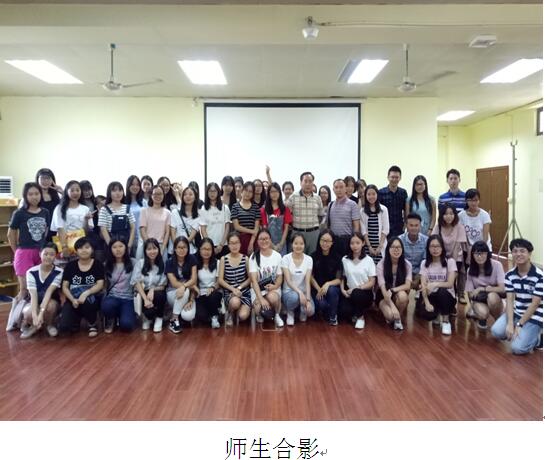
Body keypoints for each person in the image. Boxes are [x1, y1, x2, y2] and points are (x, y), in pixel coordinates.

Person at [491, 238, 543, 354]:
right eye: (515, 251)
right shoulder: (509, 275)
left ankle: (538, 339)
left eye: (522, 251)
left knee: (517, 349)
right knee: (496, 331)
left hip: (534, 316)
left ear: (529, 254)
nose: (518, 254)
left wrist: (519, 324)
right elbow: (509, 300)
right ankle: (522, 334)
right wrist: (510, 323)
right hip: (517, 312)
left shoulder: (539, 276)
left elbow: (535, 304)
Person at [8, 182, 50, 302]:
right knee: (24, 290)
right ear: (25, 196)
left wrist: (42, 246)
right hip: (24, 252)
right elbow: (10, 234)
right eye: (30, 194)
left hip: (41, 253)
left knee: (39, 289)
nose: (34, 197)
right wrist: (17, 251)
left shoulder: (45, 212)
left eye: (36, 193)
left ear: (40, 195)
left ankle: (36, 313)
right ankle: (16, 314)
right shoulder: (19, 213)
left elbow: (46, 230)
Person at [59, 237, 105, 337]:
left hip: (91, 298)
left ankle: (92, 324)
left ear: (92, 250)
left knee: (88, 300)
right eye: (80, 248)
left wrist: (86, 293)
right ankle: (76, 319)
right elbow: (65, 287)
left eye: (87, 247)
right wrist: (72, 300)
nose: (84, 250)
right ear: (76, 251)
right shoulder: (70, 266)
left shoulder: (98, 264)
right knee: (64, 328)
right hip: (73, 299)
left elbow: (100, 284)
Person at [19, 243, 63, 339]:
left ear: (56, 256)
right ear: (40, 254)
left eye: (52, 254)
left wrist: (41, 313)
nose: (48, 257)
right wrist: (35, 315)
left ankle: (50, 325)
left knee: (51, 306)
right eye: (45, 254)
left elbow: (49, 292)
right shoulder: (31, 272)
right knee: (28, 312)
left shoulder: (59, 272)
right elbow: (33, 294)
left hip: (51, 300)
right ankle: (34, 326)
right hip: (34, 300)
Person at [418, 235, 458, 335]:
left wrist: (435, 284)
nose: (435, 249)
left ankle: (446, 321)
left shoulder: (450, 262)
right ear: (428, 248)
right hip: (431, 295)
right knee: (426, 313)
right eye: (432, 246)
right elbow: (423, 285)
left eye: (438, 246)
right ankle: (436, 314)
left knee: (442, 291)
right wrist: (427, 303)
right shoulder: (424, 263)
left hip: (447, 296)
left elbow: (450, 284)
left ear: (442, 248)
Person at [465, 241, 505, 329]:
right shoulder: (470, 269)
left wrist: (482, 289)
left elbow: (502, 288)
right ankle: (478, 315)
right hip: (480, 299)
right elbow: (470, 293)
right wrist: (472, 304)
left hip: (494, 296)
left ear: (487, 254)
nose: (479, 256)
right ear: (472, 255)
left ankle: (498, 321)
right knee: (483, 313)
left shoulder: (497, 265)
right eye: (476, 254)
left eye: (482, 253)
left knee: (492, 297)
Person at [50, 180, 94, 261]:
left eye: (78, 190)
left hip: (80, 246)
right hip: (63, 244)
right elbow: (60, 228)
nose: (75, 193)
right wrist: (64, 247)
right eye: (72, 190)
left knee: (78, 266)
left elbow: (86, 232)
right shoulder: (59, 208)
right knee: (63, 266)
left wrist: (86, 220)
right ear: (67, 192)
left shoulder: (85, 209)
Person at [340, 232, 376, 329]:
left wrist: (357, 288)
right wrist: (343, 290)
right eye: (352, 243)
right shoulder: (345, 259)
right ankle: (355, 312)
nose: (355, 246)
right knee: (343, 311)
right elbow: (342, 277)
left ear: (363, 243)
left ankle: (360, 317)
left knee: (356, 293)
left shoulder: (369, 260)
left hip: (364, 292)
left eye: (357, 243)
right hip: (349, 292)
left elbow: (372, 282)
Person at [432, 203, 467, 303]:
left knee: (453, 275)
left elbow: (457, 247)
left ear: (455, 215)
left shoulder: (459, 227)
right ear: (442, 215)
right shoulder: (438, 227)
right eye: (446, 214)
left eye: (451, 214)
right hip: (440, 256)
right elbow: (434, 242)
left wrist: (452, 264)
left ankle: (458, 295)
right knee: (444, 278)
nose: (449, 216)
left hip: (456, 257)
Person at [249, 229, 284, 327]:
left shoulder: (277, 256)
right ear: (257, 241)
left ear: (270, 239)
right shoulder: (253, 257)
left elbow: (280, 277)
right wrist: (261, 298)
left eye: (266, 238)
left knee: (273, 297)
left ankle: (277, 315)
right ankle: (259, 314)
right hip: (258, 290)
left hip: (272, 289)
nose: (264, 241)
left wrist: (275, 286)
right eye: (261, 239)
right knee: (258, 308)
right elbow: (254, 281)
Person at [131, 238, 167, 333]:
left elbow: (163, 284)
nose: (152, 251)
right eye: (149, 249)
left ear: (158, 249)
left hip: (157, 291)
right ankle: (147, 318)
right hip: (143, 293)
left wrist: (152, 289)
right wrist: (145, 299)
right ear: (145, 251)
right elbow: (136, 282)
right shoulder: (140, 263)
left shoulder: (162, 264)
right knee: (149, 313)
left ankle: (159, 317)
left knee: (160, 295)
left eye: (154, 248)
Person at [376, 237, 412, 331]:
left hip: (397, 293)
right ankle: (394, 315)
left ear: (402, 249)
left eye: (399, 247)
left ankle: (398, 318)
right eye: (393, 247)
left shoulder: (407, 264)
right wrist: (392, 306)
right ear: (388, 249)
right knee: (390, 316)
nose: (396, 250)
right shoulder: (381, 264)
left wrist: (393, 290)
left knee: (403, 296)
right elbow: (383, 290)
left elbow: (407, 285)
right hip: (383, 296)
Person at [285, 171, 324, 255]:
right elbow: (287, 216)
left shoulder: (317, 198)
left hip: (313, 234)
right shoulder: (293, 197)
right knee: (296, 258)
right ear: (300, 182)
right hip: (297, 233)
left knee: (313, 257)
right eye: (305, 181)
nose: (308, 184)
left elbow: (320, 215)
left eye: (310, 181)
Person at [101, 238, 136, 333]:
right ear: (110, 249)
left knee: (126, 326)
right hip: (113, 297)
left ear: (126, 248)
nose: (118, 249)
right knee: (106, 306)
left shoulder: (134, 262)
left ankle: (122, 315)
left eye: (121, 246)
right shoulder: (106, 264)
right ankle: (111, 319)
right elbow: (104, 284)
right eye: (114, 247)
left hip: (128, 298)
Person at [218, 232, 252, 326]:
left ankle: (240, 310)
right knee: (235, 302)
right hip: (230, 292)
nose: (234, 246)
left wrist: (239, 288)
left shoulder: (245, 258)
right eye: (232, 243)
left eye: (236, 242)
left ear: (240, 244)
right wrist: (233, 289)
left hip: (243, 292)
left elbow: (250, 278)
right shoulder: (223, 259)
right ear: (228, 245)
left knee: (243, 316)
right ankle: (230, 312)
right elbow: (220, 280)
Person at [281, 233, 315, 326]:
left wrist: (308, 300)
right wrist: (299, 293)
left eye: (301, 243)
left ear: (304, 245)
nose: (298, 246)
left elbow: (307, 281)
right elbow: (288, 281)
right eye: (296, 243)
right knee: (294, 298)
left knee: (310, 311)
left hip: (303, 292)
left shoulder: (309, 259)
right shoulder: (286, 258)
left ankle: (302, 309)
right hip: (289, 292)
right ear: (291, 244)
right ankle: (290, 312)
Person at [165, 236, 197, 333]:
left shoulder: (192, 259)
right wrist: (188, 286)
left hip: (187, 293)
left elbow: (194, 279)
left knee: (188, 316)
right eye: (179, 247)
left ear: (188, 248)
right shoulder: (169, 262)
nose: (182, 250)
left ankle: (174, 315)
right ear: (175, 249)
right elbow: (174, 283)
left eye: (184, 247)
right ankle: (174, 319)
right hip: (172, 293)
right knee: (185, 290)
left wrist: (184, 287)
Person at [311, 229, 342, 325]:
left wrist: (328, 284)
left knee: (332, 290)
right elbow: (310, 277)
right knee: (322, 304)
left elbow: (339, 279)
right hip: (317, 289)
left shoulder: (337, 258)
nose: (325, 243)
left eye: (328, 241)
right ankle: (325, 311)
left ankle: (333, 317)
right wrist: (319, 289)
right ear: (319, 241)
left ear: (332, 243)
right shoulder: (313, 256)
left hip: (331, 289)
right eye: (323, 240)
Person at [324, 179, 360, 258]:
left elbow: (356, 227)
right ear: (333, 189)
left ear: (345, 188)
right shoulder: (330, 204)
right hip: (333, 241)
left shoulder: (352, 204)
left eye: (341, 187)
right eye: (336, 187)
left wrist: (355, 242)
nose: (338, 190)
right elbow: (328, 225)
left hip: (347, 241)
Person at [193, 237, 222, 329]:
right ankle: (215, 313)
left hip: (214, 292)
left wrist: (213, 287)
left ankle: (214, 317)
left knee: (213, 296)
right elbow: (193, 281)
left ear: (212, 250)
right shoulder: (195, 263)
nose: (206, 252)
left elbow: (219, 281)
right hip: (201, 294)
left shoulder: (217, 262)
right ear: (199, 250)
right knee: (202, 316)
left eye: (209, 249)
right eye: (204, 249)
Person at [98, 181, 136, 249]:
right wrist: (112, 247)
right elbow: (103, 229)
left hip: (126, 245)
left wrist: (129, 245)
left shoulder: (127, 208)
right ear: (109, 193)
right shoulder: (104, 209)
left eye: (120, 190)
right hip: (111, 246)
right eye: (114, 190)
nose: (118, 193)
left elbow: (133, 227)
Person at [260, 182, 292, 256]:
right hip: (267, 243)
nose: (274, 194)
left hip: (282, 243)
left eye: (276, 191)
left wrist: (281, 244)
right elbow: (264, 228)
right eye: (272, 192)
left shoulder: (285, 209)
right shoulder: (264, 210)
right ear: (268, 193)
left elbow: (286, 228)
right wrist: (272, 245)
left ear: (280, 193)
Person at [360, 184, 389, 264]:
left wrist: (380, 247)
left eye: (373, 194)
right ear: (365, 196)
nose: (371, 196)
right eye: (369, 194)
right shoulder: (362, 211)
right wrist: (369, 247)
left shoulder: (383, 209)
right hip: (367, 246)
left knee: (380, 267)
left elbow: (385, 229)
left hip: (381, 245)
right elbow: (363, 231)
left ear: (377, 195)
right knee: (368, 266)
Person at [399, 213, 428, 293]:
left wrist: (418, 278)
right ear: (406, 226)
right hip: (404, 273)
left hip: (421, 273)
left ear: (420, 226)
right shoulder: (399, 240)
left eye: (416, 225)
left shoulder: (426, 240)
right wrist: (408, 278)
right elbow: (399, 262)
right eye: (411, 225)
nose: (414, 228)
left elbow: (425, 262)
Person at [139, 185, 171, 259]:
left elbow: (167, 232)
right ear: (151, 195)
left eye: (160, 194)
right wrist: (150, 247)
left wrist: (162, 249)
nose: (158, 196)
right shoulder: (144, 211)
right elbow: (142, 230)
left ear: (163, 195)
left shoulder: (168, 213)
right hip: (147, 246)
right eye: (155, 194)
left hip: (161, 246)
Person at [200, 182, 231, 256]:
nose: (212, 193)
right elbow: (203, 229)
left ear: (218, 192)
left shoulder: (225, 208)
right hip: (209, 246)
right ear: (207, 193)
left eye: (214, 191)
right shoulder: (203, 209)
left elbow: (227, 227)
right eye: (210, 191)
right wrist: (209, 245)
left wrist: (221, 244)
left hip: (223, 244)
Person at [230, 181, 260, 256]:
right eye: (246, 190)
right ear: (242, 191)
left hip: (253, 240)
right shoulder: (235, 206)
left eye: (250, 191)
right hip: (239, 240)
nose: (248, 193)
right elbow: (236, 226)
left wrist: (251, 243)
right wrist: (252, 231)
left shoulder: (256, 207)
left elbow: (256, 228)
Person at [170, 186, 202, 254]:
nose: (188, 196)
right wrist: (177, 247)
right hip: (175, 250)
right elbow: (173, 233)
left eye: (190, 194)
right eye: (185, 194)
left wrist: (182, 247)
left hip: (190, 251)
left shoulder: (198, 215)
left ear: (195, 197)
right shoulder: (175, 212)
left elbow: (191, 236)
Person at [378, 165, 408, 238]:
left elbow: (406, 210)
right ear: (388, 177)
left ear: (400, 178)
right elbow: (378, 211)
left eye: (397, 177)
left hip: (399, 228)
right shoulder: (381, 192)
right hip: (385, 228)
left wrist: (405, 225)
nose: (394, 179)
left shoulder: (403, 192)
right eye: (392, 177)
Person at [34, 168, 62, 239]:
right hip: (38, 232)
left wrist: (62, 192)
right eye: (43, 178)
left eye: (48, 178)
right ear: (37, 179)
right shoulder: (32, 195)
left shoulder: (56, 196)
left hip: (54, 232)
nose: (46, 181)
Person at [125, 175, 146, 255]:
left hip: (141, 237)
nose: (135, 187)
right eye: (133, 184)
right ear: (128, 186)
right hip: (128, 237)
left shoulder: (143, 202)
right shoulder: (123, 202)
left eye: (137, 185)